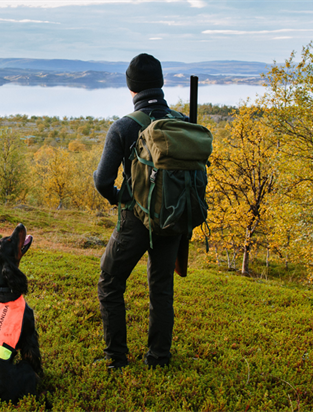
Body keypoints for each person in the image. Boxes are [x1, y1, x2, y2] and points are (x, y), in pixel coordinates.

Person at [92, 53, 184, 371]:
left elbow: (102, 180)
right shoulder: (182, 123)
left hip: (134, 219)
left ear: (131, 88)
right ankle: (158, 359)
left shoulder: (124, 127)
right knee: (161, 287)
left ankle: (116, 358)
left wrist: (118, 198)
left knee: (110, 281)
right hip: (173, 219)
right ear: (160, 83)